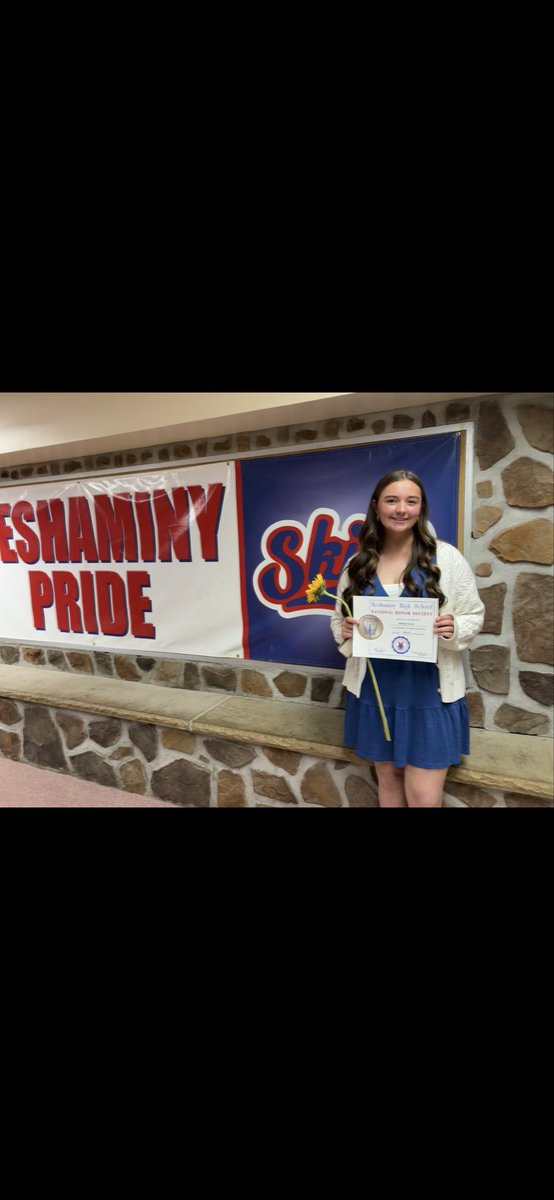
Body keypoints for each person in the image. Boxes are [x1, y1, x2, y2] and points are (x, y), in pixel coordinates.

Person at [330, 470, 485, 809]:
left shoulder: (446, 558)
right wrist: (344, 630)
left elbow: (474, 614)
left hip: (429, 693)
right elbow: (339, 619)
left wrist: (454, 628)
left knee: (424, 797)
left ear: (421, 508)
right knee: (387, 783)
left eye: (411, 501)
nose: (401, 509)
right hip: (377, 691)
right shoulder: (358, 564)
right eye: (392, 500)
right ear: (376, 506)